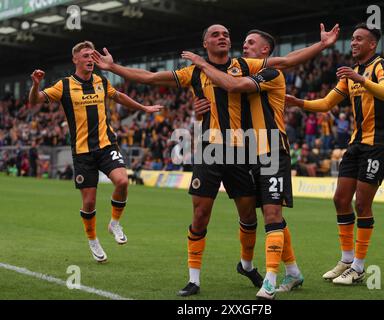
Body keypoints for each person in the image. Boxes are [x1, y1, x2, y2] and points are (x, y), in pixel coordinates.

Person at [92, 23, 339, 296]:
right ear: (206, 43)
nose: (223, 37)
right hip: (211, 150)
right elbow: (150, 77)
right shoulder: (193, 73)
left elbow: (288, 60)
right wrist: (114, 68)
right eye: (215, 35)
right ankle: (194, 280)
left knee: (249, 215)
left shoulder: (246, 65)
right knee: (200, 214)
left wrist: (323, 45)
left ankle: (246, 265)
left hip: (245, 151)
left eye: (226, 34)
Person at [182, 26, 339, 299]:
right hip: (247, 153)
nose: (243, 47)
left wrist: (322, 45)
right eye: (242, 43)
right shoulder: (240, 70)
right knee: (272, 214)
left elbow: (277, 65)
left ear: (264, 51)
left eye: (250, 43)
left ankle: (270, 279)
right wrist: (199, 109)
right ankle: (293, 271)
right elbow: (222, 100)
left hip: (271, 152)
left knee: (271, 216)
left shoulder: (268, 73)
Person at [29, 41, 163, 263]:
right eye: (85, 56)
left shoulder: (101, 81)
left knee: (122, 181)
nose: (90, 59)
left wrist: (144, 108)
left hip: (106, 145)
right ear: (75, 60)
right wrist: (35, 85)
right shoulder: (63, 85)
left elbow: (119, 96)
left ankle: (115, 223)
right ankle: (93, 240)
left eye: (92, 55)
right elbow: (34, 101)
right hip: (82, 152)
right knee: (89, 202)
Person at [286, 23, 384, 285]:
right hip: (356, 143)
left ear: (372, 44)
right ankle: (346, 261)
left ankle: (358, 267)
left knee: (362, 204)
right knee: (340, 199)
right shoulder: (350, 73)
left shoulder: (382, 65)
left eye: (360, 39)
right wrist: (298, 102)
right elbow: (326, 104)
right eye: (353, 39)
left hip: (378, 144)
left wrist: (361, 80)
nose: (354, 43)